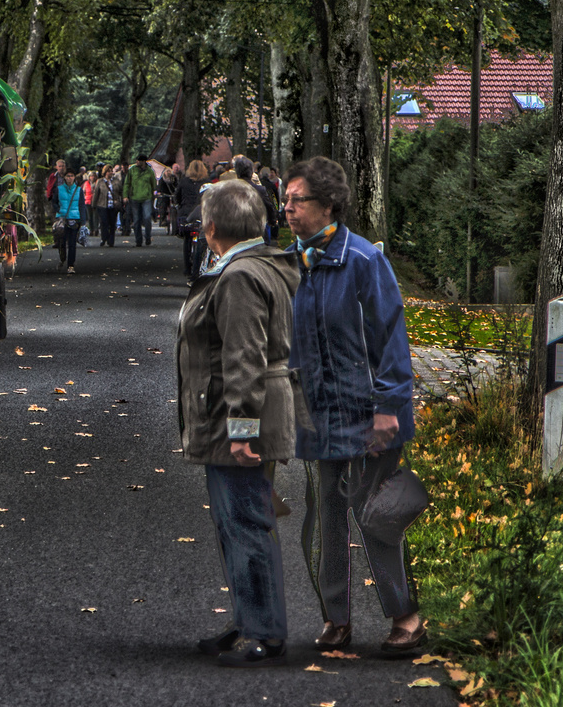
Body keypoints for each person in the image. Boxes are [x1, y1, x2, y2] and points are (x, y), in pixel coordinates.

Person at [283, 156, 425, 657]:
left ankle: (407, 617)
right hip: (319, 415)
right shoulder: (293, 264)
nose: (288, 209)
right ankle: (336, 620)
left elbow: (391, 340)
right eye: (285, 200)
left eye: (296, 200)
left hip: (369, 415)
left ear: (328, 204)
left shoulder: (364, 261)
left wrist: (389, 406)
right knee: (325, 519)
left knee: (374, 516)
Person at [178, 180, 301, 667]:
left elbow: (244, 357)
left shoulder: (239, 277)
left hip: (242, 421)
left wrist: (243, 430)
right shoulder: (260, 265)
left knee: (246, 523)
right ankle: (249, 619)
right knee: (239, 522)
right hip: (245, 414)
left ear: (211, 230)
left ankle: (265, 631)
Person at [176, 158, 207, 280]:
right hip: (202, 212)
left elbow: (177, 196)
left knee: (187, 240)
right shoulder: (206, 182)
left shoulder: (184, 182)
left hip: (186, 213)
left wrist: (180, 205)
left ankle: (187, 268)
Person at [54, 167, 84, 273]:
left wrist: (83, 221)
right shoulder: (59, 189)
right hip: (62, 219)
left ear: (74, 177)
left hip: (75, 219)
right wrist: (58, 210)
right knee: (61, 242)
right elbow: (54, 202)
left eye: (71, 176)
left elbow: (82, 205)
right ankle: (63, 259)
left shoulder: (79, 190)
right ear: (64, 177)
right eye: (68, 176)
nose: (70, 178)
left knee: (72, 243)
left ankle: (71, 265)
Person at [125, 154, 155, 247]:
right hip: (134, 198)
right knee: (136, 220)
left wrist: (153, 193)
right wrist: (125, 196)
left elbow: (153, 184)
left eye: (138, 160)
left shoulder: (150, 171)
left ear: (143, 162)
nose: (136, 162)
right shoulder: (132, 170)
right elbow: (127, 183)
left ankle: (148, 236)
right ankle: (138, 239)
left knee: (147, 217)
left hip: (146, 198)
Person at [93, 163, 119, 247]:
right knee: (104, 222)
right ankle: (104, 238)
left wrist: (119, 201)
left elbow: (120, 192)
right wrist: (94, 204)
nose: (110, 173)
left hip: (112, 205)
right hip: (102, 205)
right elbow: (96, 193)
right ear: (105, 172)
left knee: (112, 223)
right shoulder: (100, 181)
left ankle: (111, 240)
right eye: (108, 171)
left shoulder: (116, 181)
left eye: (111, 171)